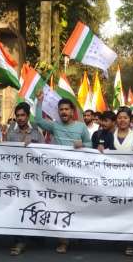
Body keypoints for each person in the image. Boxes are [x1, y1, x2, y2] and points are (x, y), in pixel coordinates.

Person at [35, 90, 91, 254]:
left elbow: (90, 145)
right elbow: (38, 120)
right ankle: (63, 240)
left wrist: (83, 145)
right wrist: (40, 102)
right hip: (59, 175)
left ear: (72, 111)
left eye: (67, 109)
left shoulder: (81, 127)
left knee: (77, 204)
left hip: (77, 174)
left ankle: (79, 232)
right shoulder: (54, 126)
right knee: (61, 205)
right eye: (61, 109)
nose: (63, 112)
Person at [5, 102, 44, 256]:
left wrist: (32, 143)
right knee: (18, 206)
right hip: (15, 176)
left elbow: (43, 150)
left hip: (33, 177)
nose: (20, 118)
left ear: (28, 116)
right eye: (18, 115)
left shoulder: (36, 130)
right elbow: (5, 150)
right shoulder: (10, 130)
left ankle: (35, 234)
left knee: (33, 205)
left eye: (23, 115)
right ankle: (19, 240)